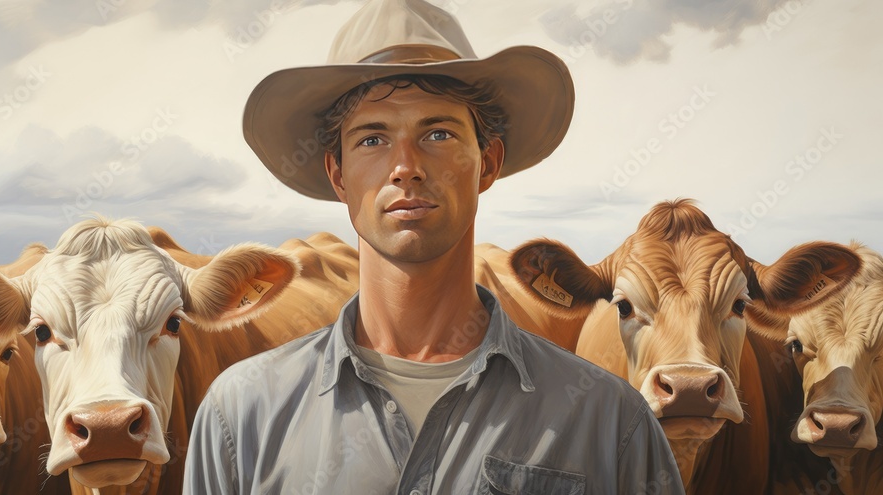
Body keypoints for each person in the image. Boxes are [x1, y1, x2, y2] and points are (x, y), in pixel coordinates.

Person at [184, 0, 682, 493]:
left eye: (438, 133)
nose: (406, 166)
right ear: (337, 175)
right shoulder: (240, 417)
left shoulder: (612, 422)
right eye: (372, 140)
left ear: (487, 164)